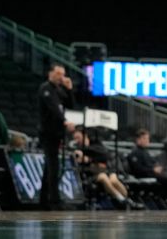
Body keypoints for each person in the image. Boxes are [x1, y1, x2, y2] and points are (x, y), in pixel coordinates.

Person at [72, 127, 143, 209]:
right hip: (92, 174)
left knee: (114, 179)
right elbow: (80, 166)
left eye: (78, 138)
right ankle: (122, 199)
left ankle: (126, 199)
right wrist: (85, 160)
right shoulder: (76, 149)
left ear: (85, 135)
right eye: (75, 138)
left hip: (106, 169)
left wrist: (89, 159)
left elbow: (105, 155)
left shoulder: (95, 144)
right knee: (103, 177)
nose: (77, 140)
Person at [38, 62, 76, 210]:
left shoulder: (59, 90)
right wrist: (65, 121)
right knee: (54, 167)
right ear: (50, 73)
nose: (62, 77)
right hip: (48, 133)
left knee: (50, 168)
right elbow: (54, 108)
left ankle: (44, 200)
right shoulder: (45, 89)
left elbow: (70, 105)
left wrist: (70, 89)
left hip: (57, 133)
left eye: (63, 74)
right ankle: (54, 201)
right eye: (59, 74)